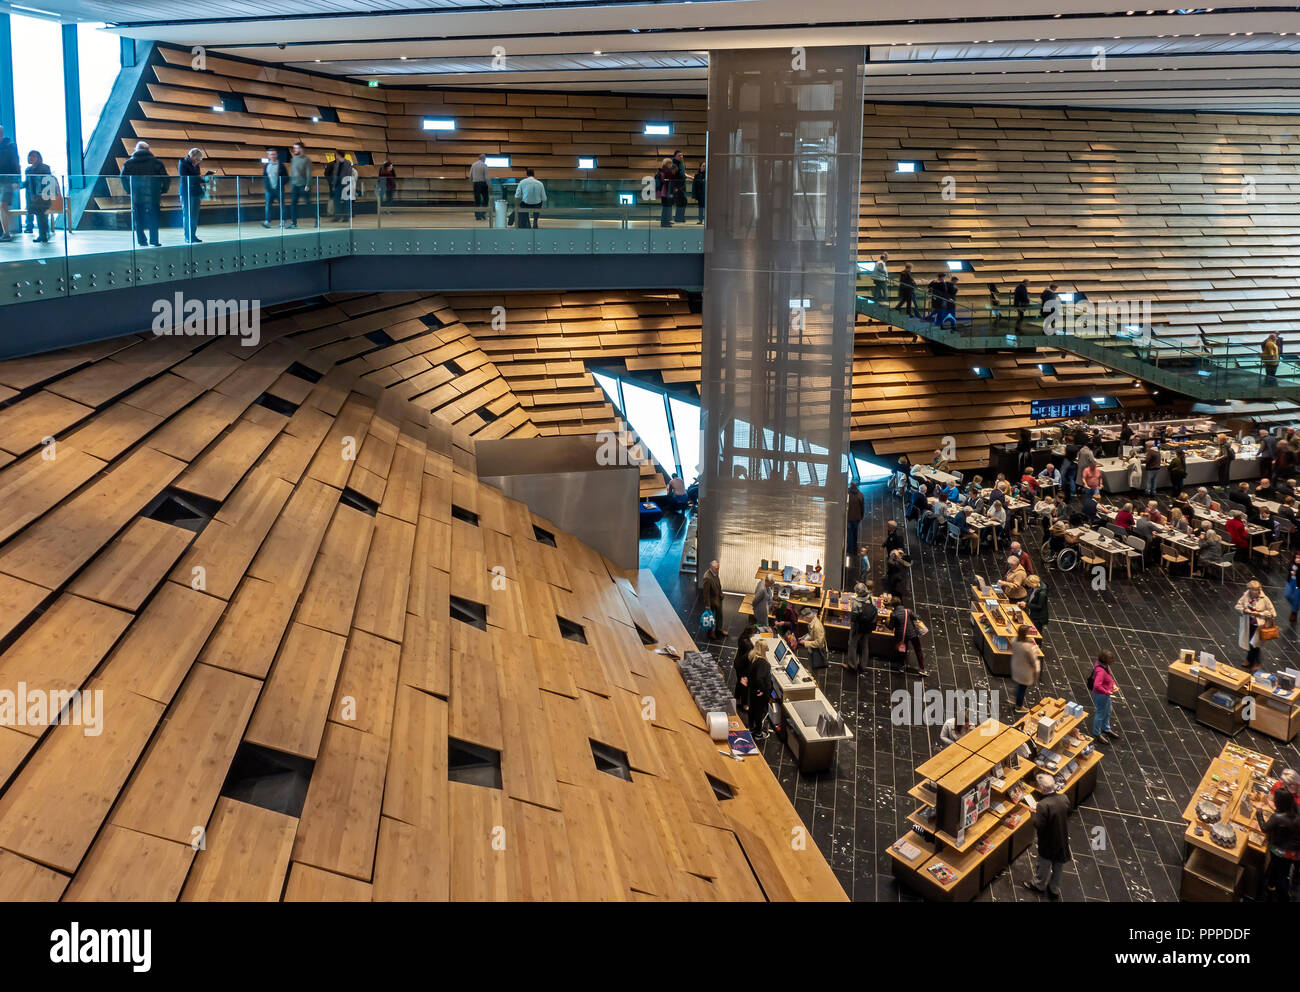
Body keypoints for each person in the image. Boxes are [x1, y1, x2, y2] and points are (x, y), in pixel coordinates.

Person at [1023, 773, 1071, 900]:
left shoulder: (1043, 805)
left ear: (1042, 788)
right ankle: (1054, 888)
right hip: (1061, 837)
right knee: (1058, 865)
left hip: (1048, 840)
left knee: (1044, 864)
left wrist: (1033, 813)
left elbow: (1038, 824)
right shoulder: (1064, 798)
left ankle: (1038, 884)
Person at [120, 140, 169, 247]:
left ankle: (142, 241)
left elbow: (122, 178)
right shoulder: (157, 163)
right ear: (148, 150)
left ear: (136, 149)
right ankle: (154, 240)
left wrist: (129, 190)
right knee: (154, 218)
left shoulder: (129, 163)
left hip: (137, 195)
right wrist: (164, 189)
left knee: (138, 219)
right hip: (153, 195)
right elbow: (165, 178)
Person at [1256, 788, 1300, 901]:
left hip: (1280, 850)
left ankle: (1283, 896)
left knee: (1281, 874)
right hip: (1294, 850)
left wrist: (1259, 812)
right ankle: (1271, 885)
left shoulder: (1278, 817)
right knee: (1279, 868)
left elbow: (1264, 828)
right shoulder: (1296, 810)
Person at [1237, 580, 1277, 670]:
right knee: (1250, 643)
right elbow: (1238, 606)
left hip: (1259, 626)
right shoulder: (1246, 596)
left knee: (1254, 644)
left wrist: (1260, 614)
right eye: (1253, 590)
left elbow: (1272, 613)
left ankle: (1254, 661)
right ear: (1250, 590)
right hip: (1248, 624)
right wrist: (1244, 610)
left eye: (1257, 590)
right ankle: (1251, 661)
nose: (1255, 592)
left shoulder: (1264, 599)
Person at [842, 583, 876, 675]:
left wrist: (852, 627)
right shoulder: (871, 599)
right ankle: (863, 665)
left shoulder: (856, 603)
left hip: (858, 628)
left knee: (852, 644)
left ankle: (852, 665)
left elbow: (853, 619)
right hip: (868, 627)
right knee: (865, 645)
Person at [22, 151, 53, 245]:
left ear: (38, 157)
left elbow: (46, 182)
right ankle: (43, 235)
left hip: (42, 196)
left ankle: (44, 234)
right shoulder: (28, 170)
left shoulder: (44, 168)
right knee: (38, 215)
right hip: (32, 197)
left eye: (33, 156)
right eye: (30, 156)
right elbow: (27, 183)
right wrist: (19, 185)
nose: (31, 158)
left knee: (42, 215)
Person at [890, 599, 927, 676]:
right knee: (918, 650)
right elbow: (918, 617)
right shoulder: (908, 611)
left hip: (902, 635)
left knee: (903, 649)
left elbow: (891, 627)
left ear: (893, 606)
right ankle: (922, 669)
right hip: (913, 634)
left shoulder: (894, 614)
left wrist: (886, 623)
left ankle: (902, 666)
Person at [175, 148, 204, 244]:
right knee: (187, 215)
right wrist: (197, 178)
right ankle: (187, 236)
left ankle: (193, 235)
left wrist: (204, 179)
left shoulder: (197, 165)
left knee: (194, 215)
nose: (198, 162)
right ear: (192, 157)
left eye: (199, 160)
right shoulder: (183, 163)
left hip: (195, 192)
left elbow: (197, 177)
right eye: (197, 159)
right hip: (186, 192)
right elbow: (184, 178)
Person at [1009, 625, 1040, 712]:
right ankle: (1019, 706)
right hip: (1024, 670)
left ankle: (1013, 697)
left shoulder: (1014, 640)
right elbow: (1033, 660)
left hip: (1016, 666)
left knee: (1019, 685)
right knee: (1022, 688)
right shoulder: (1027, 647)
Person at [1089, 650, 1118, 742]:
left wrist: (1113, 684)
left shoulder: (1104, 666)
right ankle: (1097, 733)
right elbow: (1097, 685)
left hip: (1106, 693)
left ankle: (1106, 728)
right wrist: (1106, 692)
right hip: (1101, 694)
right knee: (1100, 713)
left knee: (1108, 710)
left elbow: (1109, 677)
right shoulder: (1101, 671)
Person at [746, 645, 772, 741]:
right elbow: (759, 678)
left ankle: (751, 728)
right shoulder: (763, 663)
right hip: (759, 692)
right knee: (759, 712)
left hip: (753, 690)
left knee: (753, 709)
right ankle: (758, 733)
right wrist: (763, 690)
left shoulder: (754, 659)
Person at [261, 148, 289, 228]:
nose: (272, 156)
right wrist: (267, 187)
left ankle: (283, 221)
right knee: (268, 206)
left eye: (274, 154)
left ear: (276, 155)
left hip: (279, 189)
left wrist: (280, 184)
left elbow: (287, 177)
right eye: (271, 154)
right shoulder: (266, 165)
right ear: (268, 156)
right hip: (269, 190)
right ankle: (267, 222)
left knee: (282, 206)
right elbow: (264, 177)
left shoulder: (281, 165)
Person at [700, 559, 727, 640]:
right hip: (711, 601)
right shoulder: (707, 577)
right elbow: (706, 593)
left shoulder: (715, 573)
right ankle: (711, 633)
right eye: (716, 568)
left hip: (718, 598)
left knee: (719, 615)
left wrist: (721, 594)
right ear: (711, 568)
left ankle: (719, 630)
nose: (718, 570)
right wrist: (707, 605)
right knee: (711, 618)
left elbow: (718, 584)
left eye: (718, 568)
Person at [0, 125, 19, 242]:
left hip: (7, 180)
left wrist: (16, 180)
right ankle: (6, 232)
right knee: (2, 207)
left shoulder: (10, 146)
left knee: (3, 205)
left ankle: (7, 232)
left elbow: (15, 163)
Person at [287, 142, 311, 228]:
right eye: (294, 148)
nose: (294, 150)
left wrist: (308, 185)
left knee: (308, 204)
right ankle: (293, 223)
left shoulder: (306, 159)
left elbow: (309, 173)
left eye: (296, 148)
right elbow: (292, 172)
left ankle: (317, 218)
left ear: (301, 149)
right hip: (294, 185)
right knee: (293, 204)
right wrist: (291, 184)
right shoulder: (293, 159)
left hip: (303, 185)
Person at [324, 151, 353, 221]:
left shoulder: (348, 163)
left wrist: (347, 185)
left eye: (336, 155)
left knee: (346, 201)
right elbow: (335, 175)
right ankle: (337, 216)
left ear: (339, 155)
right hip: (337, 185)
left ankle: (346, 217)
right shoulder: (337, 164)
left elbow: (349, 174)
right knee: (336, 201)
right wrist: (333, 185)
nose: (335, 156)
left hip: (345, 185)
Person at [733, 625, 756, 711]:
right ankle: (744, 704)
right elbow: (748, 657)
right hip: (743, 668)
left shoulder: (742, 638)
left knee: (739, 682)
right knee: (745, 685)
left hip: (738, 663)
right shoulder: (748, 645)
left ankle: (737, 699)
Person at [470, 153, 491, 221]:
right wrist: (489, 186)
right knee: (485, 199)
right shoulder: (484, 165)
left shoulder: (473, 165)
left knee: (477, 200)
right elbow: (487, 177)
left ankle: (477, 216)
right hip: (483, 184)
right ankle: (482, 214)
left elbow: (470, 176)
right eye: (485, 158)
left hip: (475, 183)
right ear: (483, 158)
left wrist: (472, 183)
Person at [655, 157, 675, 228]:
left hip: (665, 191)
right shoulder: (665, 171)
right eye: (670, 163)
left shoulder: (663, 171)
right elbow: (664, 180)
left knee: (666, 207)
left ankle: (665, 222)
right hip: (666, 191)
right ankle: (664, 222)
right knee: (666, 207)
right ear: (667, 164)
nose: (671, 165)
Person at [846, 481, 864, 559]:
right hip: (857, 518)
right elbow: (862, 508)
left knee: (849, 534)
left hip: (849, 517)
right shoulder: (860, 495)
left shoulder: (846, 493)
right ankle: (854, 548)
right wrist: (861, 516)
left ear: (850, 485)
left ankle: (849, 549)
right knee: (855, 533)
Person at [671, 149, 687, 224]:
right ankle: (678, 218)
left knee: (683, 201)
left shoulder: (682, 163)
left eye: (682, 155)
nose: (681, 156)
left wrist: (692, 177)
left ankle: (680, 217)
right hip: (677, 186)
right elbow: (672, 176)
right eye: (679, 155)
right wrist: (674, 187)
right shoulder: (673, 164)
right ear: (675, 156)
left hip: (682, 185)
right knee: (679, 202)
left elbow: (683, 174)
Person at [1286, 551, 1300, 625]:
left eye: (1299, 557)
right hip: (1290, 581)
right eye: (1297, 557)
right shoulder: (1292, 563)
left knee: (1296, 597)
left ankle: (1294, 612)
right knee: (1287, 595)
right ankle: (1296, 606)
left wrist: (1297, 572)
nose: (1298, 559)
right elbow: (1289, 567)